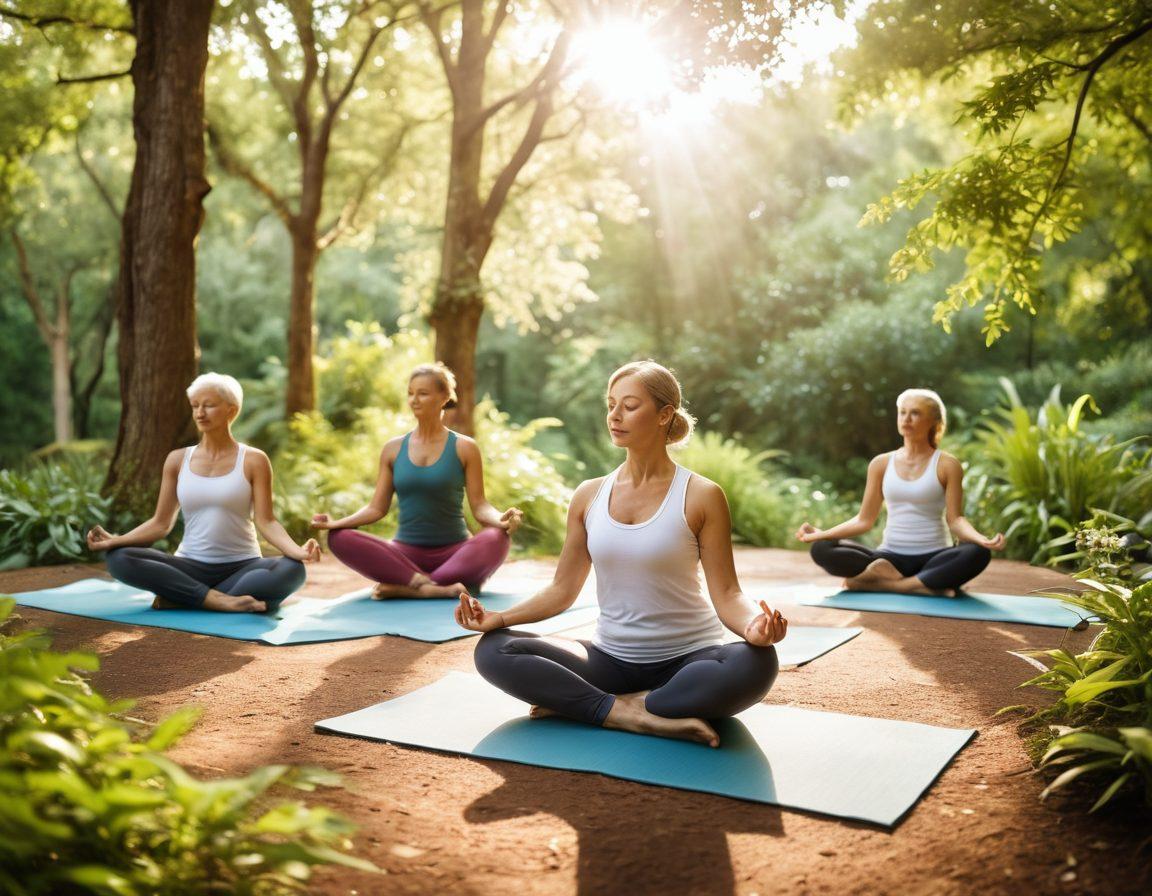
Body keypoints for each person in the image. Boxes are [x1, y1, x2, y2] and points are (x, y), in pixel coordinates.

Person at [456, 360, 788, 749]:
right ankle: (627, 712)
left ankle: (598, 705)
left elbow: (728, 592)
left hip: (690, 661)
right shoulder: (588, 495)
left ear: (665, 415)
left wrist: (754, 628)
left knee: (757, 662)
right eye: (611, 404)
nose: (615, 415)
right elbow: (562, 589)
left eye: (629, 406)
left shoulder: (701, 495)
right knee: (495, 649)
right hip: (608, 661)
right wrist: (499, 618)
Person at [86, 373, 320, 613]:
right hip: (189, 565)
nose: (200, 413)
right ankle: (215, 600)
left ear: (231, 410)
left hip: (243, 567)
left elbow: (267, 521)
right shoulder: (177, 460)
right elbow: (160, 523)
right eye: (195, 406)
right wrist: (116, 540)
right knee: (119, 558)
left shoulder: (254, 460)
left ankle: (184, 596)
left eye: (208, 405)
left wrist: (298, 551)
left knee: (293, 570)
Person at [312, 363, 522, 598]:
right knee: (340, 538)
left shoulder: (465, 447)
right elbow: (376, 508)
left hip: (455, 552)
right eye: (411, 393)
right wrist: (337, 524)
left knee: (497, 537)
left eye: (423, 393)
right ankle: (431, 587)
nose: (414, 400)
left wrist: (501, 519)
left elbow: (480, 505)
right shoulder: (393, 449)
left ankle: (411, 586)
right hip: (404, 553)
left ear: (444, 397)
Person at [795, 388, 1005, 595]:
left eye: (915, 413)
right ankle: (923, 584)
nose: (906, 419)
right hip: (887, 559)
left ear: (933, 421)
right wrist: (823, 534)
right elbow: (863, 520)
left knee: (977, 553)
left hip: (934, 557)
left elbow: (956, 520)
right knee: (821, 548)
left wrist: (981, 539)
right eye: (902, 412)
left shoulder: (947, 465)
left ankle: (890, 585)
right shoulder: (881, 464)